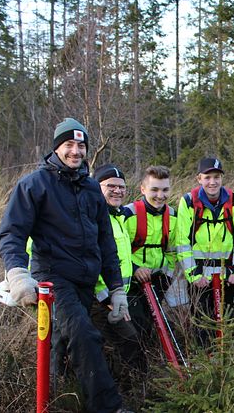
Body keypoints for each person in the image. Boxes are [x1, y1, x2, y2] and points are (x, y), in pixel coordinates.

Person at [0, 118, 129, 413]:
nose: (75, 151)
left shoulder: (93, 189)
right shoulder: (34, 185)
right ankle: (108, 408)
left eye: (81, 145)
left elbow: (106, 242)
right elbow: (11, 233)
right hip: (53, 280)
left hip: (85, 279)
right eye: (69, 144)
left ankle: (58, 399)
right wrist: (17, 273)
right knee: (84, 336)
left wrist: (117, 288)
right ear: (56, 147)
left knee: (60, 342)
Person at [176, 157, 234, 345]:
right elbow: (182, 242)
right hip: (199, 275)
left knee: (228, 319)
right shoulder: (189, 202)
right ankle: (204, 363)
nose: (212, 182)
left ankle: (228, 363)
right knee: (201, 323)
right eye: (207, 177)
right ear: (199, 178)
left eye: (217, 177)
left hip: (227, 274)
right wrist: (193, 275)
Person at [90, 164, 147, 389]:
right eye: (110, 186)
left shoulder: (119, 217)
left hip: (117, 297)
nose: (117, 191)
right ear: (97, 187)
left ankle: (128, 390)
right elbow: (92, 264)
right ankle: (120, 392)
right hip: (101, 300)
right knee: (122, 342)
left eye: (121, 187)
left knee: (126, 343)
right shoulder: (95, 218)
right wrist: (107, 299)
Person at [123, 165, 178, 345]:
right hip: (132, 282)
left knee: (150, 325)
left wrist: (168, 276)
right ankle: (135, 368)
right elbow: (116, 250)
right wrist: (135, 269)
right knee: (135, 327)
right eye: (154, 190)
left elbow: (171, 250)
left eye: (165, 190)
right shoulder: (128, 214)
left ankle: (151, 361)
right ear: (143, 189)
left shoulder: (172, 215)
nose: (160, 196)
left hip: (158, 280)